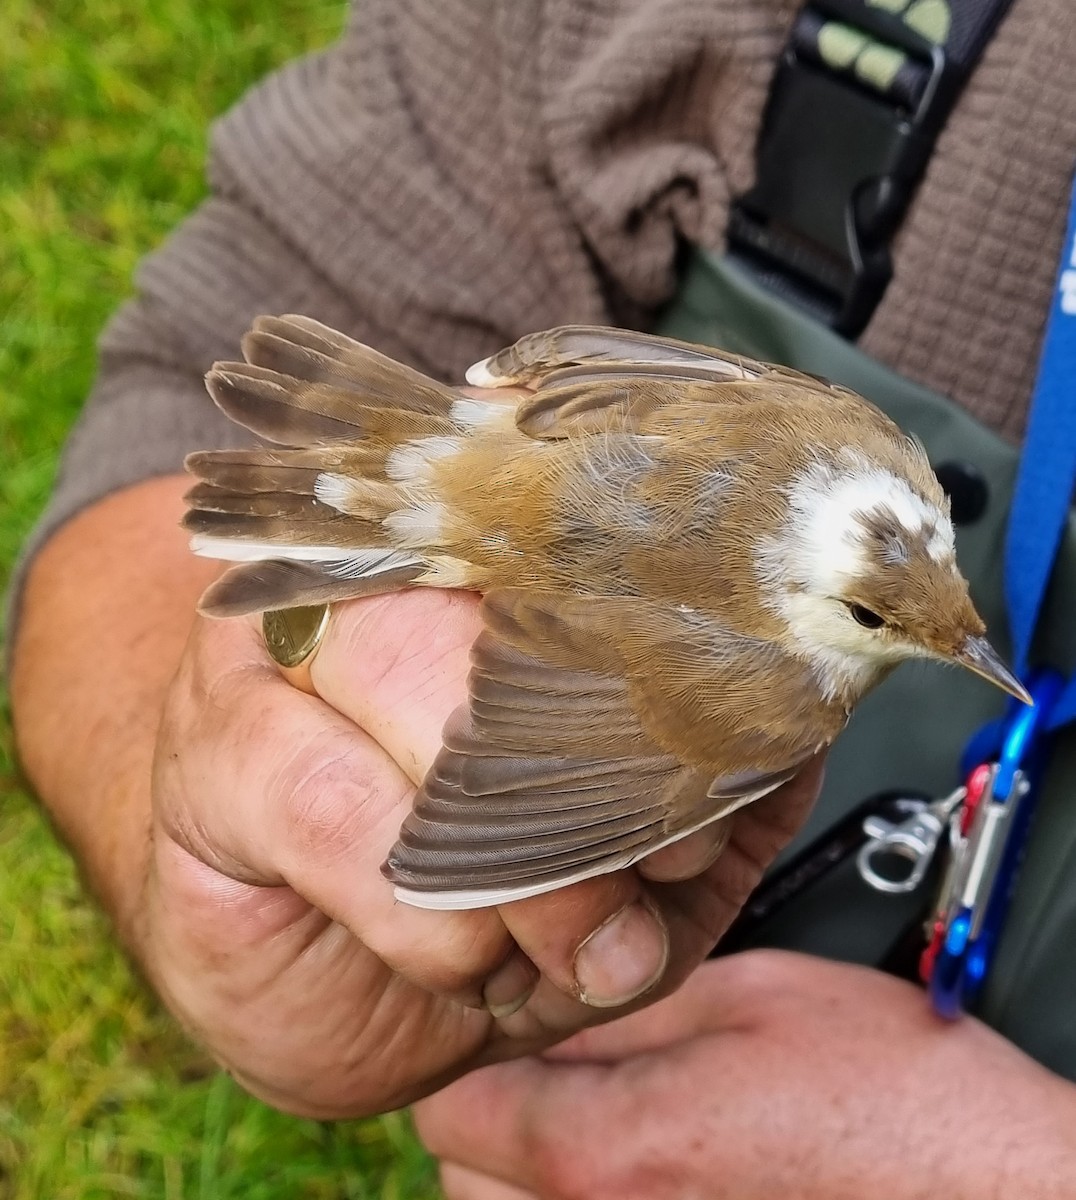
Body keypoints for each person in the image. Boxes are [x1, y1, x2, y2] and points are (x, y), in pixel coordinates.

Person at [8, 0, 1076, 1195]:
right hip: (506, 510)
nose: (898, 638)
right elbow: (246, 294)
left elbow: (678, 389)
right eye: (878, 622)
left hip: (527, 442)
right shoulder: (779, 685)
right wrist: (247, 837)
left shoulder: (860, 451)